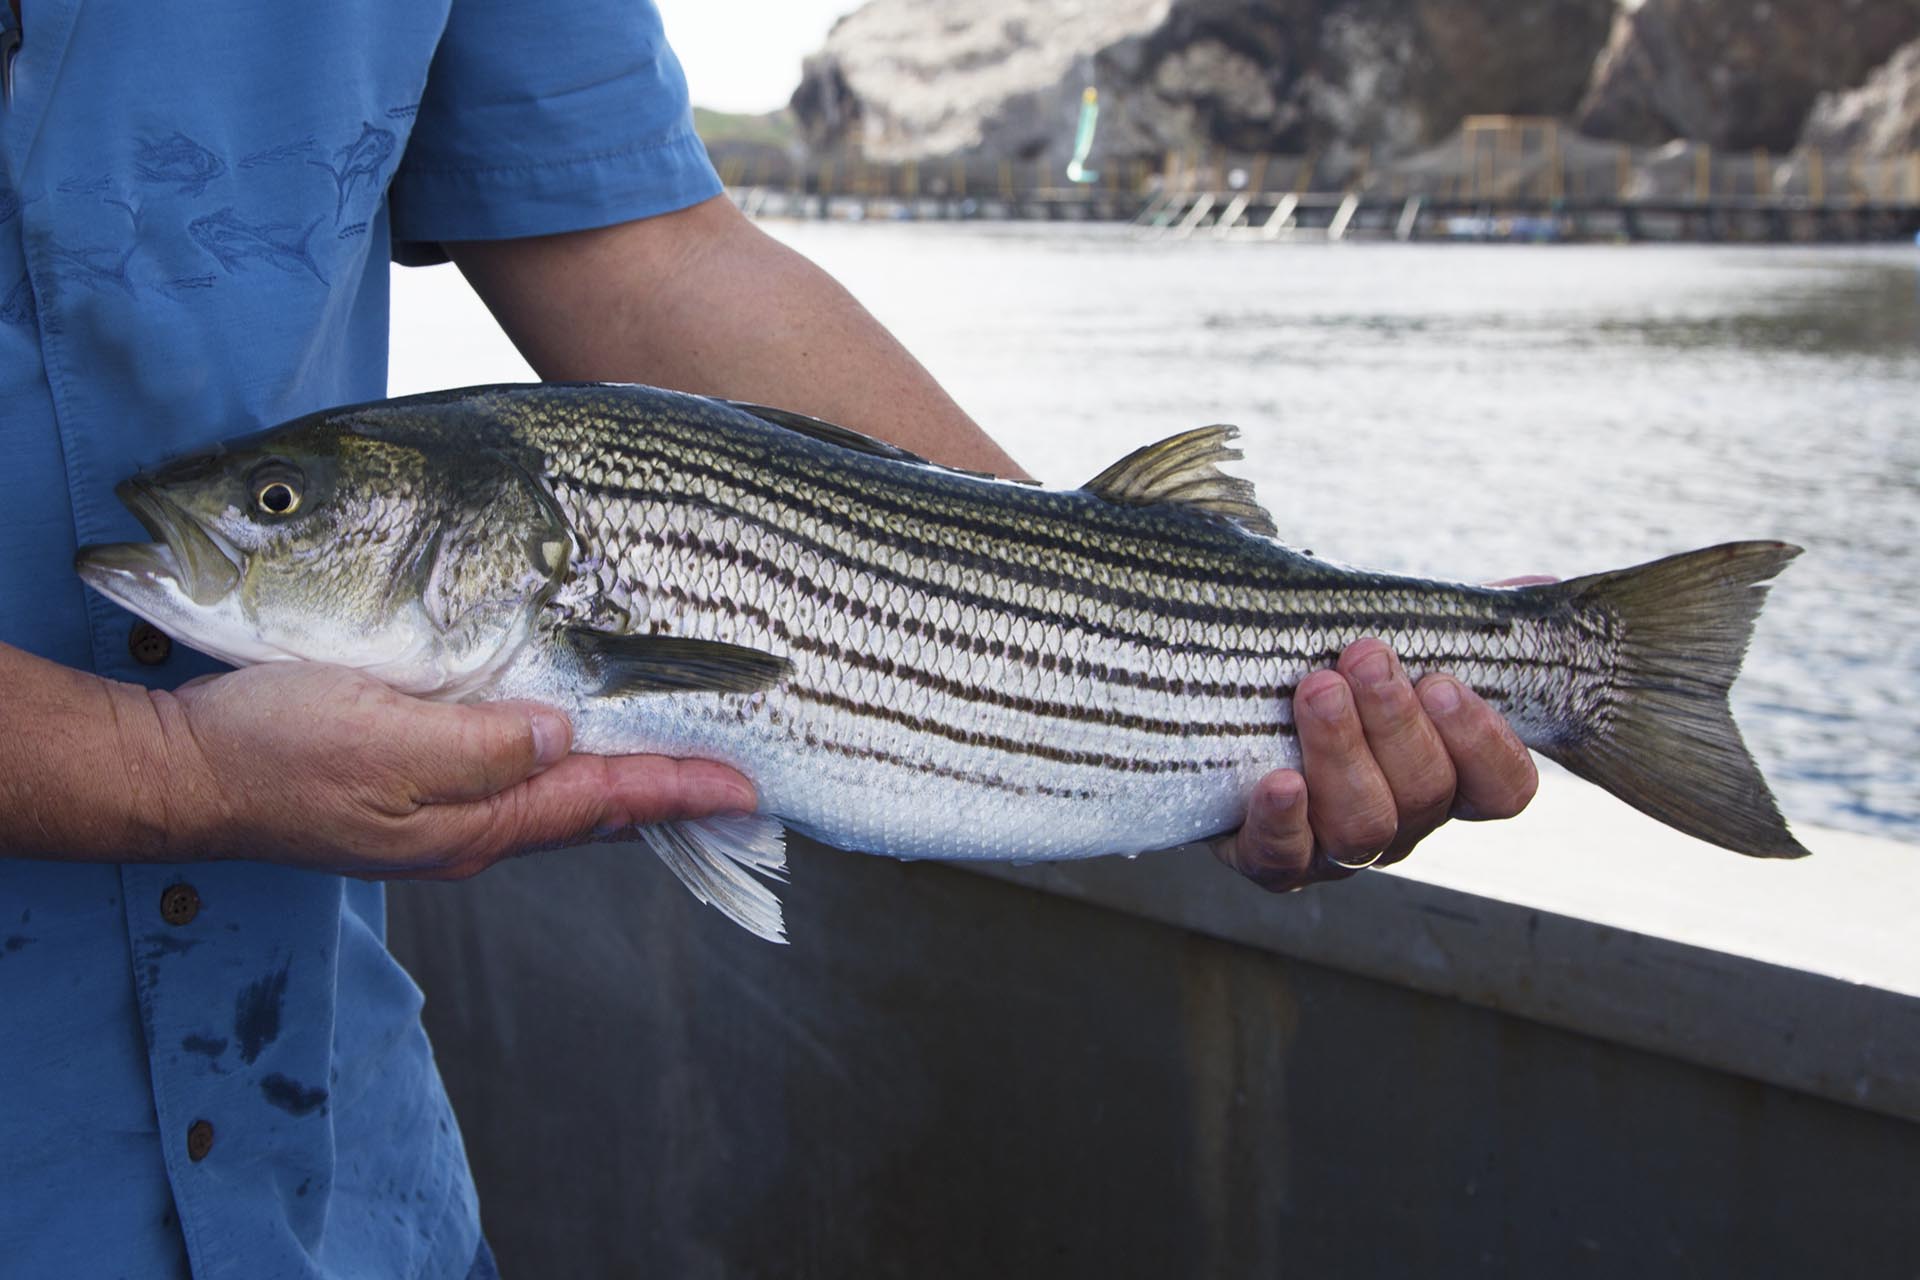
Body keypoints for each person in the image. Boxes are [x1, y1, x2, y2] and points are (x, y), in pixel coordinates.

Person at [0, 2, 1538, 1275]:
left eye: (276, 505)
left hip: (339, 1188)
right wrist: (159, 767)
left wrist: (1129, 660)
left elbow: (645, 252)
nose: (238, 520)